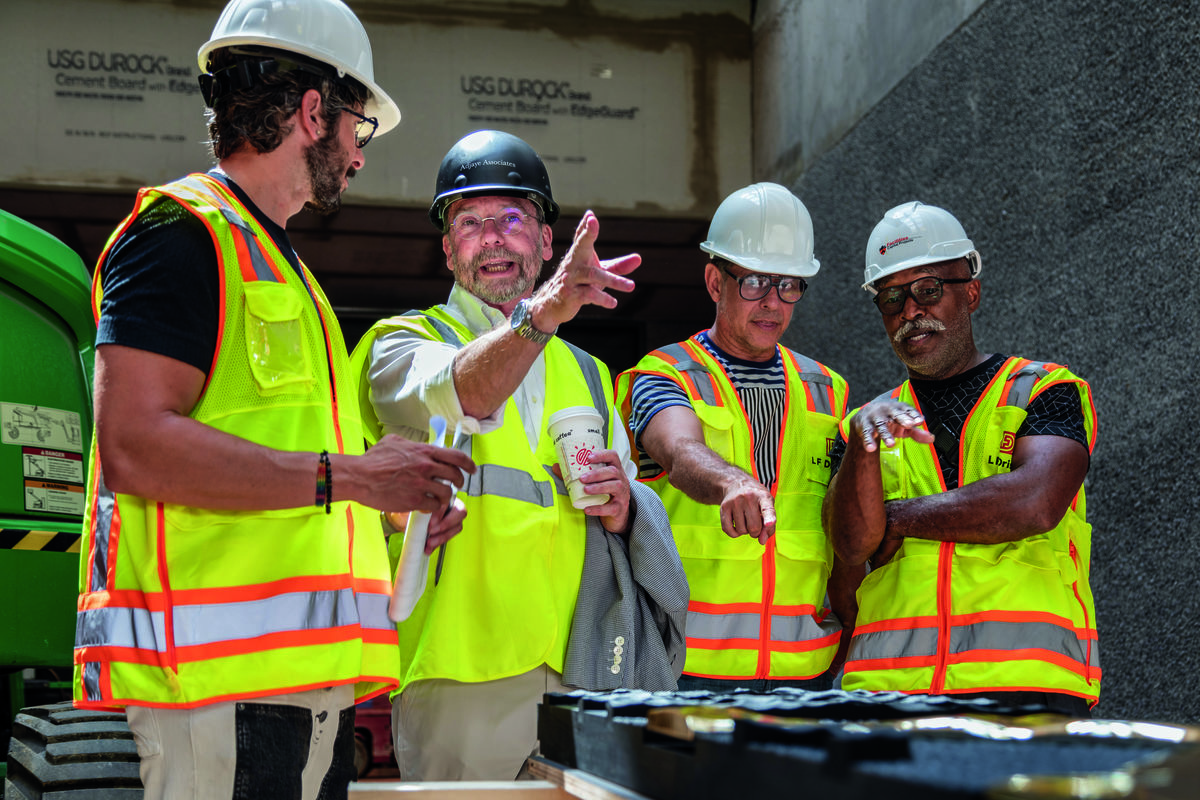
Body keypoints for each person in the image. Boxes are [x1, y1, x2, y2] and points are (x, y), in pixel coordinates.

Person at [72, 1, 475, 798]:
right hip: (217, 691)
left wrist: (391, 513)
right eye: (359, 130)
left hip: (299, 688)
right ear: (314, 111)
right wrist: (356, 478)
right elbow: (135, 447)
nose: (358, 157)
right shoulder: (182, 237)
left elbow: (282, 464)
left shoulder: (274, 261)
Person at [351, 129, 686, 781]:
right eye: (471, 222)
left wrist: (625, 509)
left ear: (545, 242)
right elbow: (458, 389)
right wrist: (540, 316)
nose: (494, 237)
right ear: (447, 248)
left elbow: (619, 519)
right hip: (455, 671)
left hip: (581, 669)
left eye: (512, 218)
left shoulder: (589, 373)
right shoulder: (402, 345)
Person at [823, 201, 1099, 716]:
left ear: (970, 290)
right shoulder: (865, 424)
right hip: (891, 693)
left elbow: (1034, 503)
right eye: (890, 297)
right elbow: (850, 545)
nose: (909, 310)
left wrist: (898, 518)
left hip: (1024, 685)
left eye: (928, 289)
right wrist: (862, 442)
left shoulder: (1044, 390)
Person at [614, 182, 854, 692]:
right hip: (687, 669)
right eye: (754, 282)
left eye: (789, 284)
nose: (772, 302)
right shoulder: (665, 373)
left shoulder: (828, 390)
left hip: (806, 673)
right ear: (713, 281)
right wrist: (732, 483)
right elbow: (678, 451)